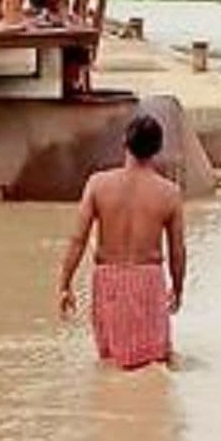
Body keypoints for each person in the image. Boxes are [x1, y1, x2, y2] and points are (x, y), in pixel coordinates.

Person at [57, 114, 185, 370]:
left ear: (124, 141)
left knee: (112, 363)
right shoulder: (169, 193)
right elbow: (177, 251)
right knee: (154, 360)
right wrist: (178, 289)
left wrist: (65, 283)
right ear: (158, 148)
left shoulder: (98, 184)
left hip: (109, 280)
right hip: (149, 280)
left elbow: (77, 240)